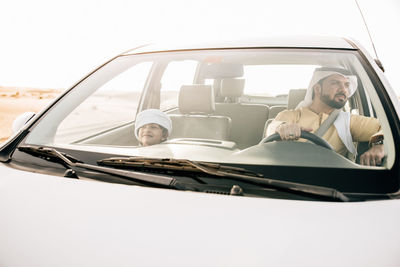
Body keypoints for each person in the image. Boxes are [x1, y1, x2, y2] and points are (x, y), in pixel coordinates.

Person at [266, 67, 384, 166]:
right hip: (285, 183)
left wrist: (381, 147)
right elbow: (273, 128)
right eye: (335, 83)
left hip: (329, 187)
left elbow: (389, 128)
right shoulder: (291, 115)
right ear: (317, 89)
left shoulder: (348, 121)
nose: (343, 89)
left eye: (347, 85)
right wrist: (283, 128)